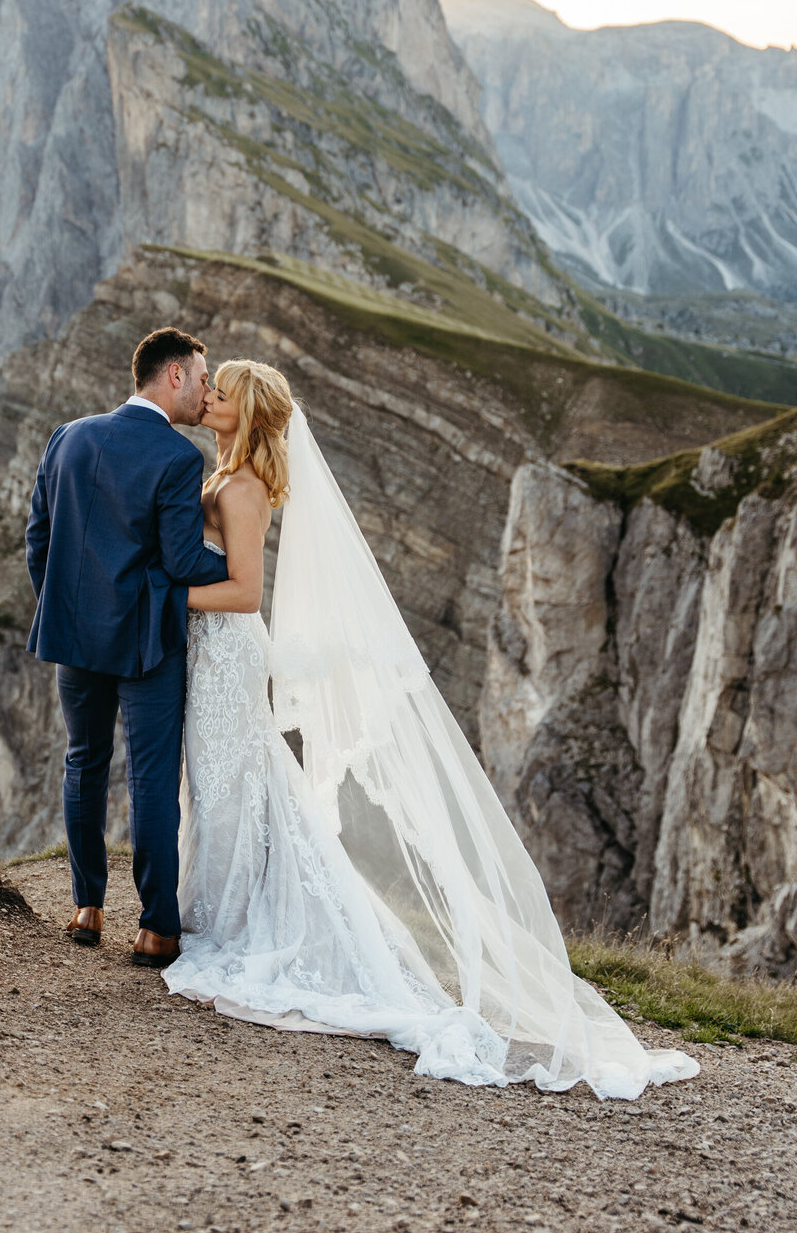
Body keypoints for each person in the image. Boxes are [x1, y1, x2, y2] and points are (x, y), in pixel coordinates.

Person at [161, 357, 700, 1100]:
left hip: (227, 655)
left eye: (222, 391)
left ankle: (221, 924)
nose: (209, 396)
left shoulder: (245, 487)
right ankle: (212, 911)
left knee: (227, 785)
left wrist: (168, 595)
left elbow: (248, 590)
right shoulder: (225, 475)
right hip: (211, 657)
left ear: (247, 412)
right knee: (223, 785)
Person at [25, 328, 228, 965]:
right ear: (172, 376)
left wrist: (70, 607)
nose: (205, 390)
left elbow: (40, 541)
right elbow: (183, 559)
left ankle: (87, 907)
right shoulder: (177, 458)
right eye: (200, 377)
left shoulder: (68, 436)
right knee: (151, 781)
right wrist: (234, 566)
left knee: (83, 762)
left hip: (75, 640)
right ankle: (156, 928)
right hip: (146, 645)